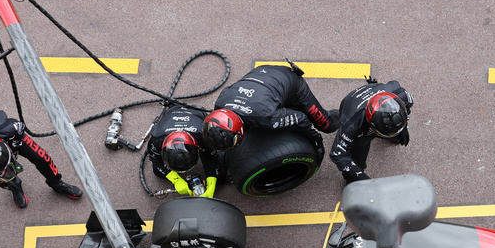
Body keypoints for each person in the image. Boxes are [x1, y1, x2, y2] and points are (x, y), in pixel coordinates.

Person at [0, 106, 82, 209]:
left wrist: (14, 148)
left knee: (42, 158)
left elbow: (19, 130)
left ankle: (57, 183)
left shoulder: (12, 129)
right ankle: (15, 187)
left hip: (5, 136)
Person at [210, 62, 338, 156]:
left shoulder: (265, 117)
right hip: (261, 74)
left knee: (326, 124)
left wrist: (317, 141)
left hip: (289, 81)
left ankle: (347, 113)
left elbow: (301, 118)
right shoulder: (220, 106)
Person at [329, 78, 413, 183]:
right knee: (358, 160)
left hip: (371, 99)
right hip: (352, 107)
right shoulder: (352, 124)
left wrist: (403, 128)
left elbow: (406, 110)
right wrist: (356, 173)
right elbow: (337, 153)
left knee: (398, 133)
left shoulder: (404, 96)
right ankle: (350, 179)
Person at [146, 103, 225, 198]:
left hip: (196, 111)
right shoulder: (157, 139)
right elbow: (155, 160)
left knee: (221, 170)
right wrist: (176, 180)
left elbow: (210, 158)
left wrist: (212, 183)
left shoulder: (203, 136)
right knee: (157, 172)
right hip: (172, 111)